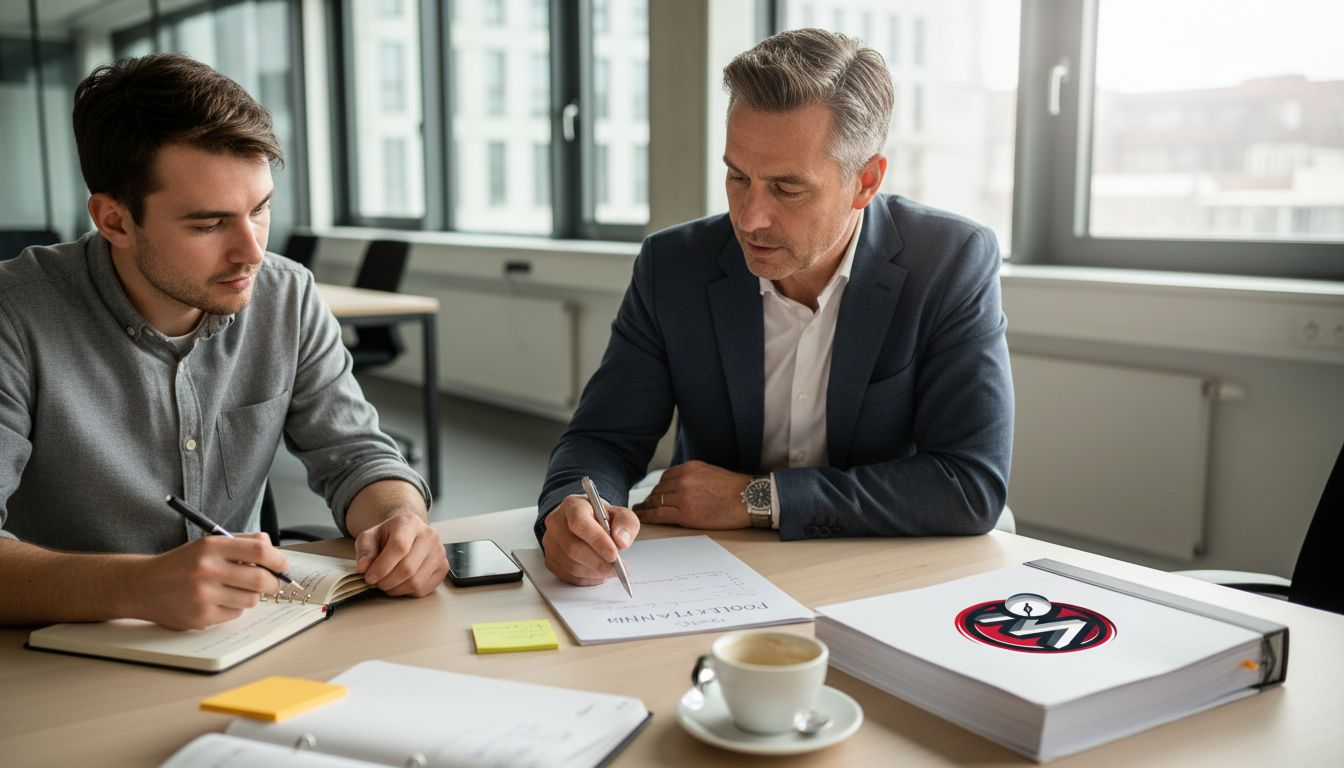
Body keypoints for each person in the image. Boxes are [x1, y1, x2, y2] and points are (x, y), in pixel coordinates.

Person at [537, 29, 1013, 585]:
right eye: (738, 177)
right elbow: (602, 439)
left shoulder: (951, 261)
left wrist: (756, 498)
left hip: (895, 569)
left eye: (787, 189)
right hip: (724, 572)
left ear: (865, 182)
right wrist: (570, 510)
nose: (749, 217)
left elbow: (967, 485)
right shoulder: (673, 266)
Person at [0, 53, 447, 630]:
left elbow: (357, 456)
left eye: (259, 210)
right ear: (114, 221)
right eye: (209, 224)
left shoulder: (287, 296)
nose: (253, 252)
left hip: (242, 635)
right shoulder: (14, 313)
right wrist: (136, 587)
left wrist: (399, 518)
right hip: (55, 651)